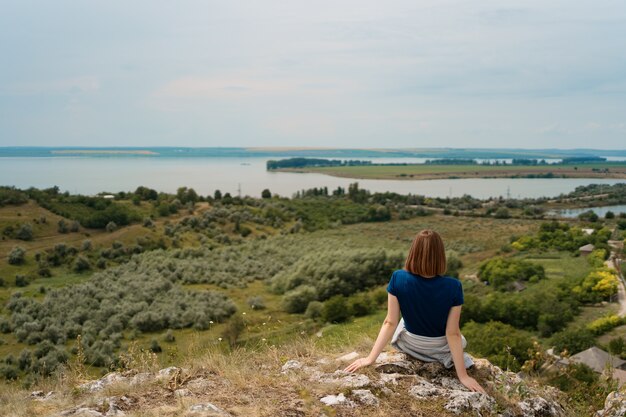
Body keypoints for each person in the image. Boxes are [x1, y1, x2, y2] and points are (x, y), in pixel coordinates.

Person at [344, 229, 485, 393]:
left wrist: (370, 359)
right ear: (440, 255)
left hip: (410, 345)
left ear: (413, 252)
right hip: (439, 349)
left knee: (403, 320)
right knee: (460, 338)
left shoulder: (398, 278)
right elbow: (452, 333)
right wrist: (463, 376)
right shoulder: (454, 286)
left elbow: (390, 322)